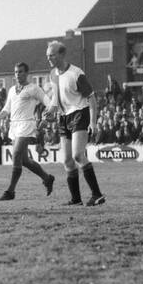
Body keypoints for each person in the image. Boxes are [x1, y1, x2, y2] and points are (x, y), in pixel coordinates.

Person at [43, 40, 105, 206]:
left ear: (62, 54)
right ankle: (76, 199)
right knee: (67, 161)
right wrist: (49, 112)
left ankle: (97, 194)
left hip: (79, 113)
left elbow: (91, 98)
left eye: (52, 55)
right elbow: (56, 101)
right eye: (47, 55)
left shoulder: (76, 73)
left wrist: (93, 122)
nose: (49, 58)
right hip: (63, 118)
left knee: (78, 155)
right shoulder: (53, 74)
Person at [0, 63, 54, 201]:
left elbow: (49, 102)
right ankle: (47, 178)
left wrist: (46, 117)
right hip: (14, 126)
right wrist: (0, 116)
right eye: (16, 72)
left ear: (27, 73)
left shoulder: (34, 89)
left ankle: (10, 191)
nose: (17, 74)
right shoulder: (11, 90)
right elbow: (7, 108)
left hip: (26, 124)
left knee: (16, 154)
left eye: (20, 72)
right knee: (24, 161)